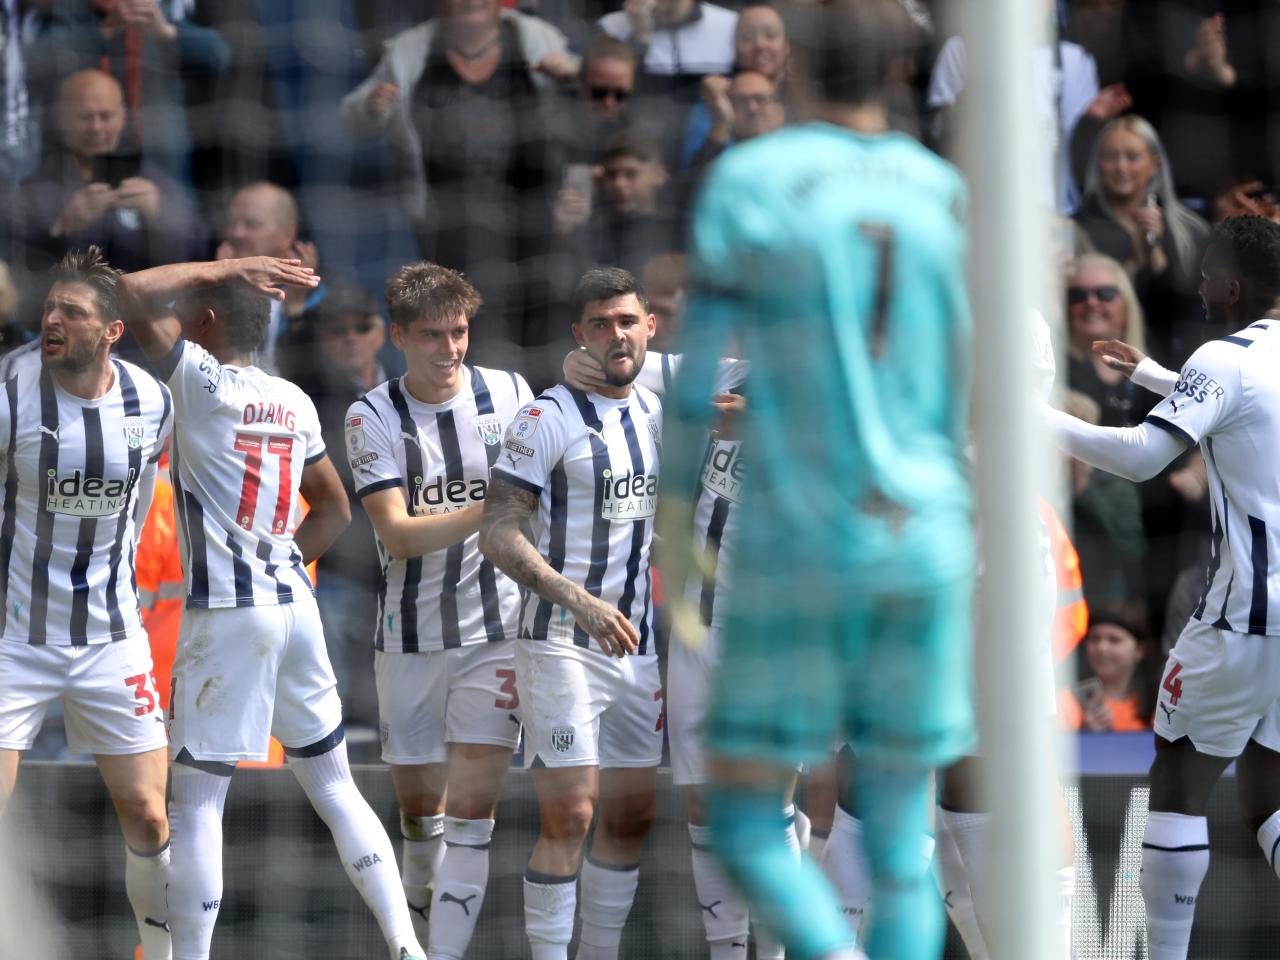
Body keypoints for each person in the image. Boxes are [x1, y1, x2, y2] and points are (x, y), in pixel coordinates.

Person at [661, 1, 973, 957]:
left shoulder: (752, 177)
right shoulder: (940, 187)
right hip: (924, 536)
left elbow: (697, 376)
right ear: (895, 78)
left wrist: (678, 528)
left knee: (749, 822)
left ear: (791, 71)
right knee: (897, 838)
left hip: (800, 538)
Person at [115, 254, 427, 960]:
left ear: (209, 319)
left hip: (227, 616)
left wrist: (223, 266)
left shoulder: (200, 381)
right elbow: (337, 508)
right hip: (295, 604)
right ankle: (406, 943)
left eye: (197, 309)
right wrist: (280, 553)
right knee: (336, 785)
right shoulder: (292, 399)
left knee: (195, 803)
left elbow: (128, 292)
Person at [1047, 215, 1280, 959]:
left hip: (1244, 616)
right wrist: (1155, 377)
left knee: (1179, 778)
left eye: (1209, 273)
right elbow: (1250, 412)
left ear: (1235, 284)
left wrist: (1027, 416)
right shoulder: (1247, 362)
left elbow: (1145, 457)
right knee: (1271, 788)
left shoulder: (1225, 355)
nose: (1201, 285)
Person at [562, 343, 801, 960]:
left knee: (768, 803)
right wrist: (580, 363)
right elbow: (606, 358)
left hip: (775, 636)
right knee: (702, 803)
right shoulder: (716, 372)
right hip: (698, 630)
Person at [346, 262, 532, 958]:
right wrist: (495, 509)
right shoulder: (371, 414)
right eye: (433, 336)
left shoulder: (508, 391)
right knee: (421, 816)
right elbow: (396, 532)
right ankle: (419, 932)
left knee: (472, 815)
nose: (451, 350)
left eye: (459, 333)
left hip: (497, 632)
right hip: (411, 636)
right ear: (398, 336)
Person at [479, 267, 665, 960]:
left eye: (626, 320)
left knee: (632, 815)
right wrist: (579, 602)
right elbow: (497, 531)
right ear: (578, 334)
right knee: (572, 813)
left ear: (650, 326)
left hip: (635, 647)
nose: (615, 334)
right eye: (600, 324)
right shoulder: (546, 415)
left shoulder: (657, 407)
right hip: (560, 640)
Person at [0, 246, 174, 960]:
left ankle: (158, 952)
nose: (53, 320)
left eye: (73, 312)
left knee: (148, 815)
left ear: (112, 331)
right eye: (50, 308)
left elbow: (139, 509)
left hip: (111, 636)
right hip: (14, 639)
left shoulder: (150, 401)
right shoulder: (11, 391)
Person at [14, 69, 206, 297]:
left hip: (141, 320)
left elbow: (200, 255)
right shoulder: (37, 188)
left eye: (105, 116)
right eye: (85, 117)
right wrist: (61, 228)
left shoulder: (155, 182)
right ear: (62, 119)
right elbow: (16, 270)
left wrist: (161, 217)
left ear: (123, 116)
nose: (96, 127)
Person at [1074, 115, 1211, 365]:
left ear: (1155, 164)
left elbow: (1200, 307)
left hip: (1183, 361)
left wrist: (1157, 258)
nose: (1121, 168)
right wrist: (1135, 262)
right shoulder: (1078, 229)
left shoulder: (1191, 231)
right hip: (1105, 364)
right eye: (1110, 157)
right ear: (1097, 165)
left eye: (1132, 157)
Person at [215, 181, 327, 377]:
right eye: (232, 224)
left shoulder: (324, 296)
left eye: (251, 224)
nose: (236, 233)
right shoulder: (204, 286)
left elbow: (319, 375)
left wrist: (296, 308)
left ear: (288, 233)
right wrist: (221, 286)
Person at [680, 3, 789, 167]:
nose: (760, 45)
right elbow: (695, 181)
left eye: (770, 35)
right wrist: (721, 123)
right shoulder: (711, 104)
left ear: (786, 46)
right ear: (733, 48)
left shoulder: (806, 97)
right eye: (748, 37)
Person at [1065, 253, 1153, 429]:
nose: (1091, 302)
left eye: (1105, 293)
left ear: (1127, 304)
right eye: (1078, 295)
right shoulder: (1057, 371)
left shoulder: (1156, 368)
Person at [1060, 614, 1155, 732]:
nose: (1102, 648)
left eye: (1114, 640)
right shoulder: (1066, 702)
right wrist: (1084, 734)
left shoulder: (1159, 705)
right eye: (1094, 638)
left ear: (1140, 650)